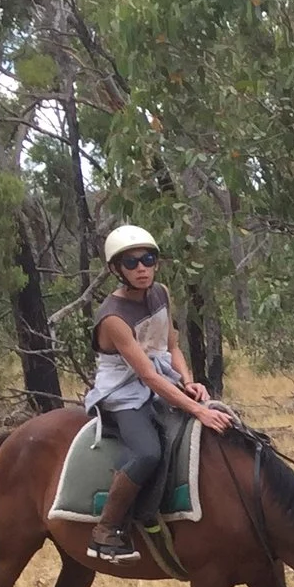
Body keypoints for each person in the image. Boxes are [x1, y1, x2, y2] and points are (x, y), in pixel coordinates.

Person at [82, 225, 233, 562]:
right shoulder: (113, 318)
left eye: (148, 259)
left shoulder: (161, 292)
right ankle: (106, 528)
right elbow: (146, 375)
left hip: (161, 379)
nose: (141, 268)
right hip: (124, 392)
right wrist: (198, 410)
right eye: (132, 262)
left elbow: (172, 345)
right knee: (148, 451)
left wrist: (188, 380)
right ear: (115, 269)